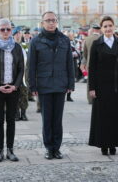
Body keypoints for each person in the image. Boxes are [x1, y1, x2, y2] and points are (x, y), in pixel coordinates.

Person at [28, 11, 75, 160]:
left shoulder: (64, 40)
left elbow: (70, 63)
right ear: (42, 23)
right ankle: (49, 148)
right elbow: (31, 66)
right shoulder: (36, 41)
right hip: (44, 85)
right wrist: (32, 86)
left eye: (53, 20)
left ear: (57, 22)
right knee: (47, 119)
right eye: (48, 20)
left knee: (58, 119)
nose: (51, 23)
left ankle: (57, 148)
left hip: (61, 84)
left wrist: (71, 83)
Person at [88, 16, 118, 156]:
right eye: (105, 26)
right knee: (102, 116)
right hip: (101, 86)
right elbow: (91, 67)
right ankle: (103, 144)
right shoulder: (96, 44)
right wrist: (91, 88)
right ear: (101, 28)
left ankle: (114, 143)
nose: (108, 28)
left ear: (114, 27)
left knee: (115, 116)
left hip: (117, 85)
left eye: (110, 25)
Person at [0, 18, 24, 162]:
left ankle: (10, 150)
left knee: (11, 121)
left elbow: (21, 69)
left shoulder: (17, 47)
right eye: (3, 29)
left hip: (13, 89)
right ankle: (0, 151)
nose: (6, 32)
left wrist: (15, 85)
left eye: (9, 29)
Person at [80, 24, 101, 104]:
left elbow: (84, 54)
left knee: (90, 82)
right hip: (100, 64)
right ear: (99, 29)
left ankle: (90, 99)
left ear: (93, 29)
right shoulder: (102, 38)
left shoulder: (87, 39)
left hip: (90, 64)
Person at [13, 27, 29, 121]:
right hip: (14, 74)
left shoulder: (25, 45)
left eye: (19, 34)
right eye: (16, 34)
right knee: (15, 94)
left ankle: (23, 113)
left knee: (24, 94)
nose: (18, 35)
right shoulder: (11, 46)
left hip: (24, 74)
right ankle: (16, 113)